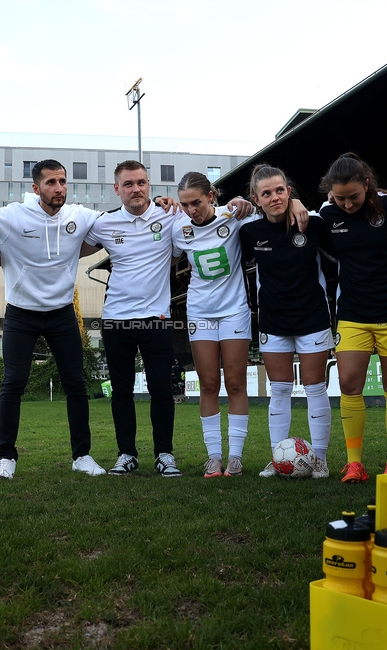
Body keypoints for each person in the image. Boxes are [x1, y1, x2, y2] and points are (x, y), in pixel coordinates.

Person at [84, 161, 253, 477]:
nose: (137, 189)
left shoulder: (171, 216)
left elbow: (266, 213)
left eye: (142, 182)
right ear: (117, 189)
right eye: (129, 183)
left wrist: (249, 202)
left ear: (149, 184)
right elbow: (73, 244)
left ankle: (166, 454)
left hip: (158, 317)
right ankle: (127, 454)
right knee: (122, 390)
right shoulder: (106, 222)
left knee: (163, 387)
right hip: (117, 318)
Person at [0, 159, 106, 480]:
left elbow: (117, 225)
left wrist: (162, 207)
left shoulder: (79, 216)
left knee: (76, 384)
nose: (59, 188)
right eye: (51, 183)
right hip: (21, 313)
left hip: (62, 313)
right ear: (36, 188)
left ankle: (82, 456)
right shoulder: (10, 216)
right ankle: (6, 457)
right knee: (13, 384)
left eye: (63, 182)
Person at [319, 154, 387, 482]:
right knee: (348, 384)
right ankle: (354, 463)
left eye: (354, 197)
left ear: (367, 185)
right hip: (352, 312)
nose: (347, 204)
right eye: (340, 197)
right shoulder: (327, 213)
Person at [239, 164, 334, 479]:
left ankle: (319, 459)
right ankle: (277, 458)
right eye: (266, 193)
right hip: (273, 321)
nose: (275, 197)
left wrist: (301, 206)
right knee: (278, 389)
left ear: (288, 191)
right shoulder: (250, 232)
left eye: (280, 190)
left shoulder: (313, 223)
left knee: (315, 387)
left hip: (313, 317)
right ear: (256, 198)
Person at [171, 172, 255, 478]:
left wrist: (246, 202)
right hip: (199, 313)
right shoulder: (177, 229)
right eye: (184, 204)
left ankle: (235, 457)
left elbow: (265, 214)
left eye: (196, 202)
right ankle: (214, 457)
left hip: (234, 311)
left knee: (235, 384)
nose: (191, 210)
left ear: (211, 195)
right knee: (207, 385)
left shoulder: (233, 216)